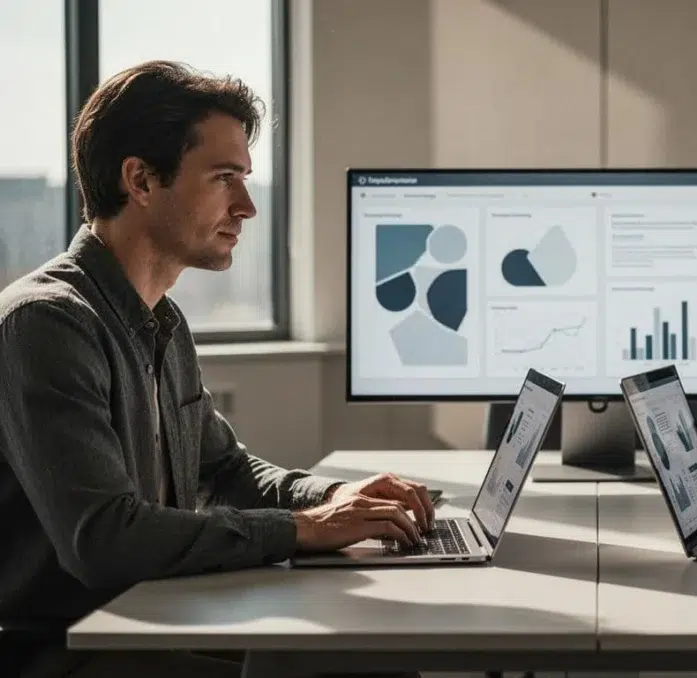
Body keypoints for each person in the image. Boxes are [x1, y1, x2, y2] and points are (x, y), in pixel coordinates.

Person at [0, 60, 436, 677]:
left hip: (153, 616)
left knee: (373, 656)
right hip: (69, 651)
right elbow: (103, 540)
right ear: (141, 179)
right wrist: (301, 529)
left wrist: (336, 497)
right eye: (225, 177)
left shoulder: (163, 324)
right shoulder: (45, 324)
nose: (248, 207)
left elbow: (225, 470)